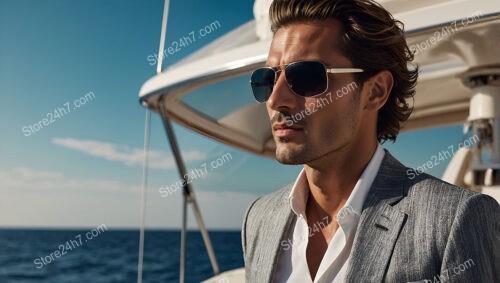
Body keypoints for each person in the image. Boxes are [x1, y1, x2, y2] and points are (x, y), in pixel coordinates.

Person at [242, 0, 499, 282]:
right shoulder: (259, 219)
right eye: (266, 79)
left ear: (376, 91)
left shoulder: (454, 220)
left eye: (305, 77)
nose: (276, 100)